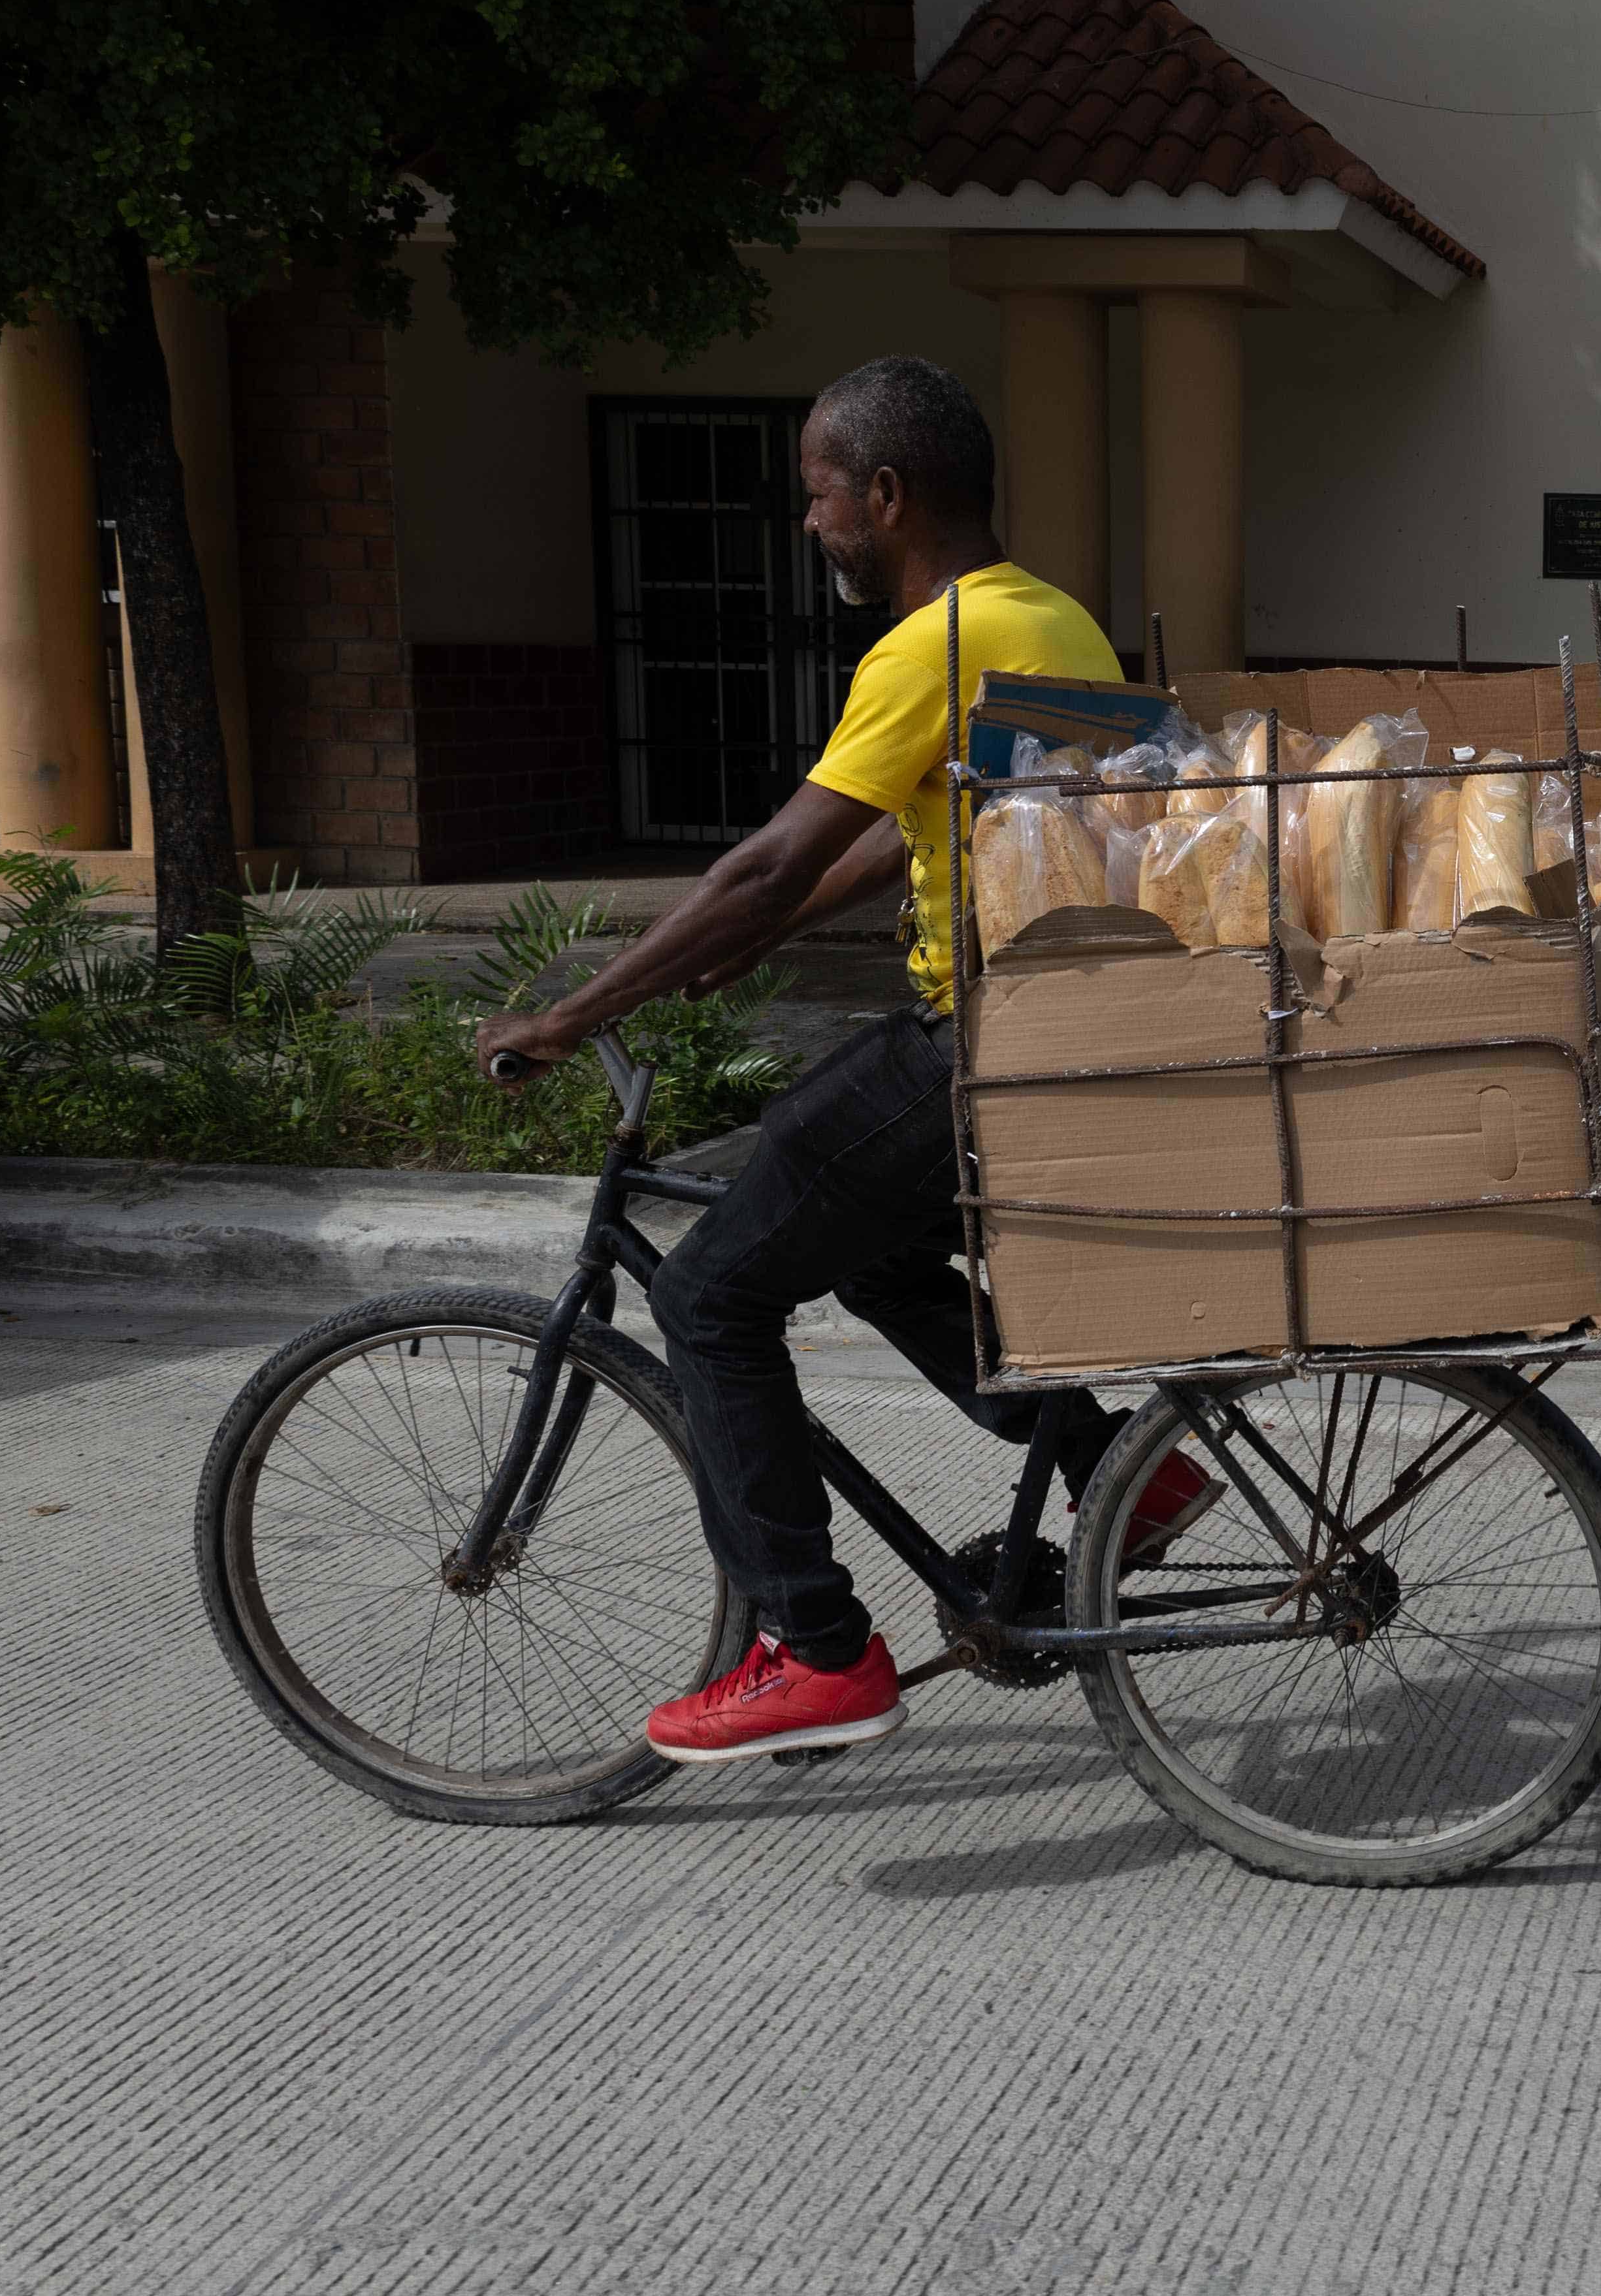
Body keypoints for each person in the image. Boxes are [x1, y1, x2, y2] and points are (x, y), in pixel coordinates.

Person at [475, 355, 1212, 1765]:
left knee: (708, 1293)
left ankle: (815, 1648)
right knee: (868, 1251)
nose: (809, 523)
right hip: (1064, 1032)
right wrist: (763, 936)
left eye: (817, 494)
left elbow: (769, 854)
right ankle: (1130, 1467)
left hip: (984, 1042)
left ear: (884, 492)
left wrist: (574, 1010)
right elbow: (904, 826)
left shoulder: (930, 642)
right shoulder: (1045, 613)